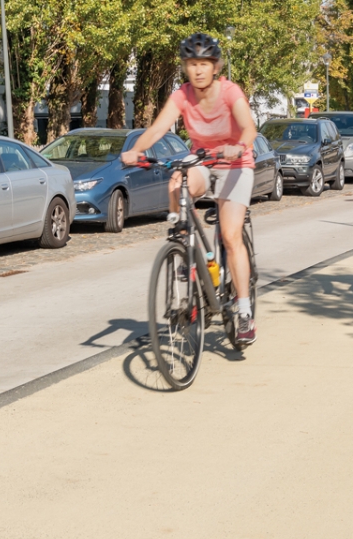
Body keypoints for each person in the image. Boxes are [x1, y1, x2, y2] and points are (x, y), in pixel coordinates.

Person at [121, 33, 259, 345]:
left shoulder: (229, 92)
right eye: (192, 64)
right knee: (176, 179)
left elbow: (249, 127)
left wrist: (239, 146)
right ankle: (183, 244)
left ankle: (244, 311)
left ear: (215, 66)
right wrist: (135, 151)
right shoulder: (182, 95)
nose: (197, 70)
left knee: (230, 234)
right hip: (203, 160)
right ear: (185, 67)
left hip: (236, 163)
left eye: (204, 64)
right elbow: (157, 129)